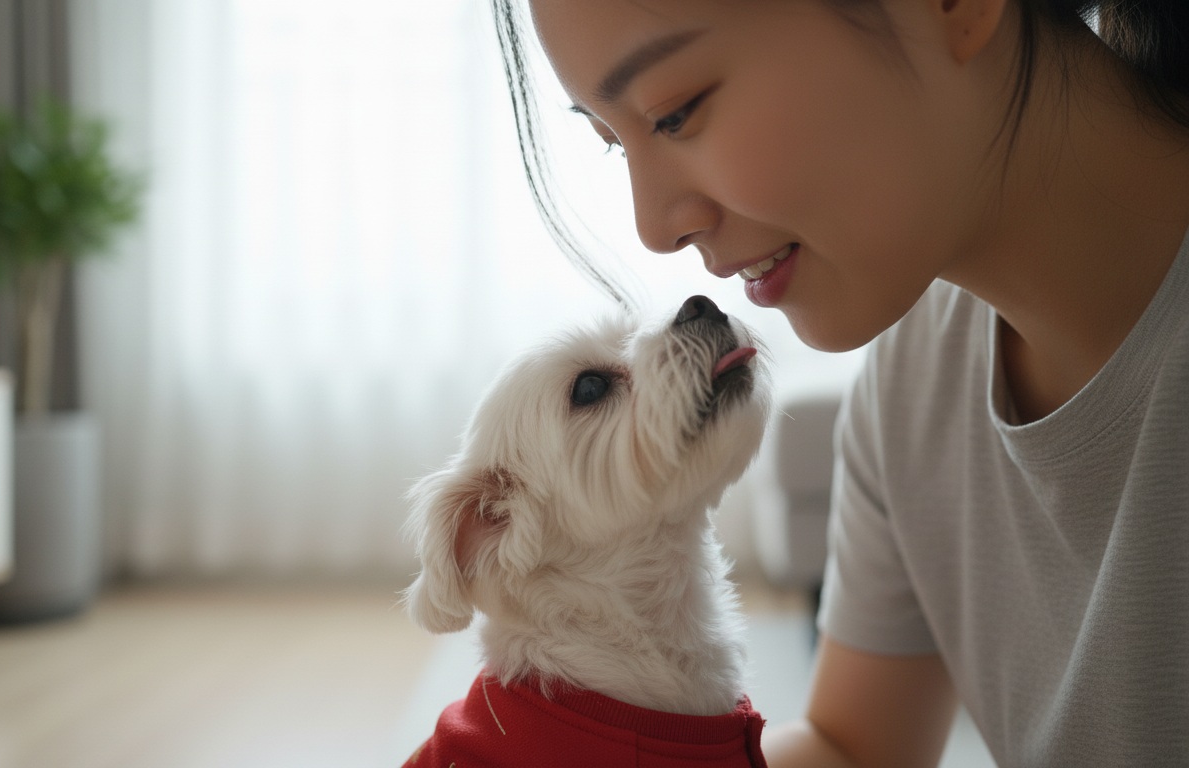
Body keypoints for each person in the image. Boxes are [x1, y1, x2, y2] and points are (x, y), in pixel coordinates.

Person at [489, 0, 1189, 765]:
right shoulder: (917, 378)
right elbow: (853, 747)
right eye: (612, 146)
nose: (654, 227)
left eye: (675, 112)